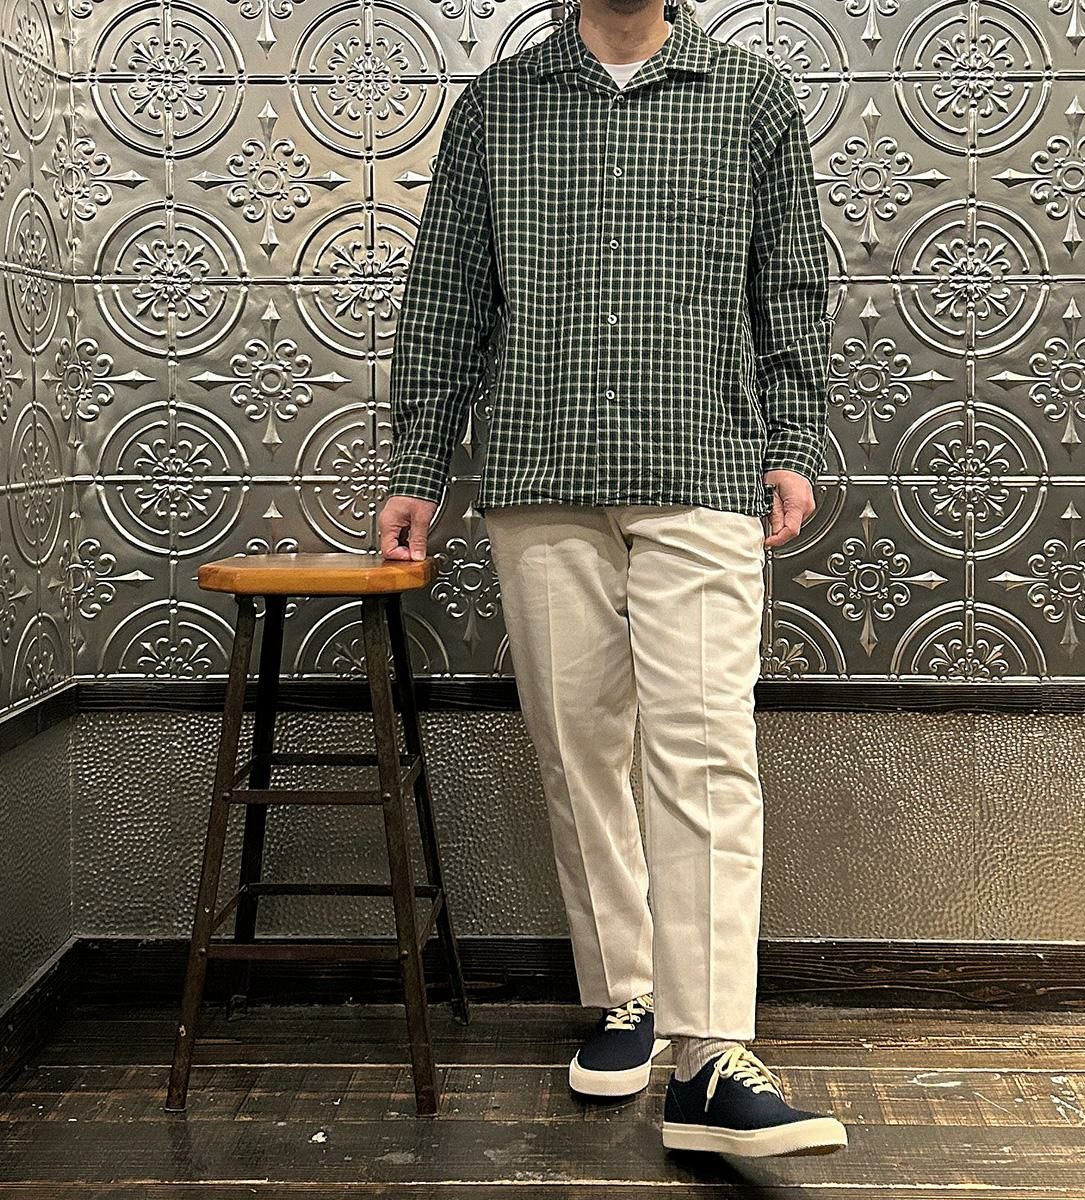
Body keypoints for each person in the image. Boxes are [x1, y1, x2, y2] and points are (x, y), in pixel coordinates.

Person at [378, 0, 846, 1159]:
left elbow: (790, 282)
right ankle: (625, 994)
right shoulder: (499, 107)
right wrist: (418, 467)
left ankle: (710, 1053)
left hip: (702, 465)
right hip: (541, 470)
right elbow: (447, 294)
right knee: (579, 747)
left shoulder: (749, 97)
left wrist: (792, 439)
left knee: (705, 748)